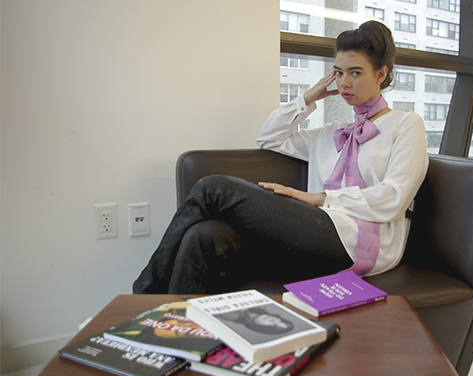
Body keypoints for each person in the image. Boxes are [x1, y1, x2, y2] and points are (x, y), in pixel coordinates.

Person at [132, 20, 428, 294]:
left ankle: (142, 295)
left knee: (211, 189)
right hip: (315, 235)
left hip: (358, 243)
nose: (344, 83)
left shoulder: (405, 124)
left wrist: (320, 199)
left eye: (356, 73)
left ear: (381, 74)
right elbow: (270, 137)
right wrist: (307, 98)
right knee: (202, 236)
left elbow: (394, 197)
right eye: (338, 73)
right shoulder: (331, 132)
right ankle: (172, 327)